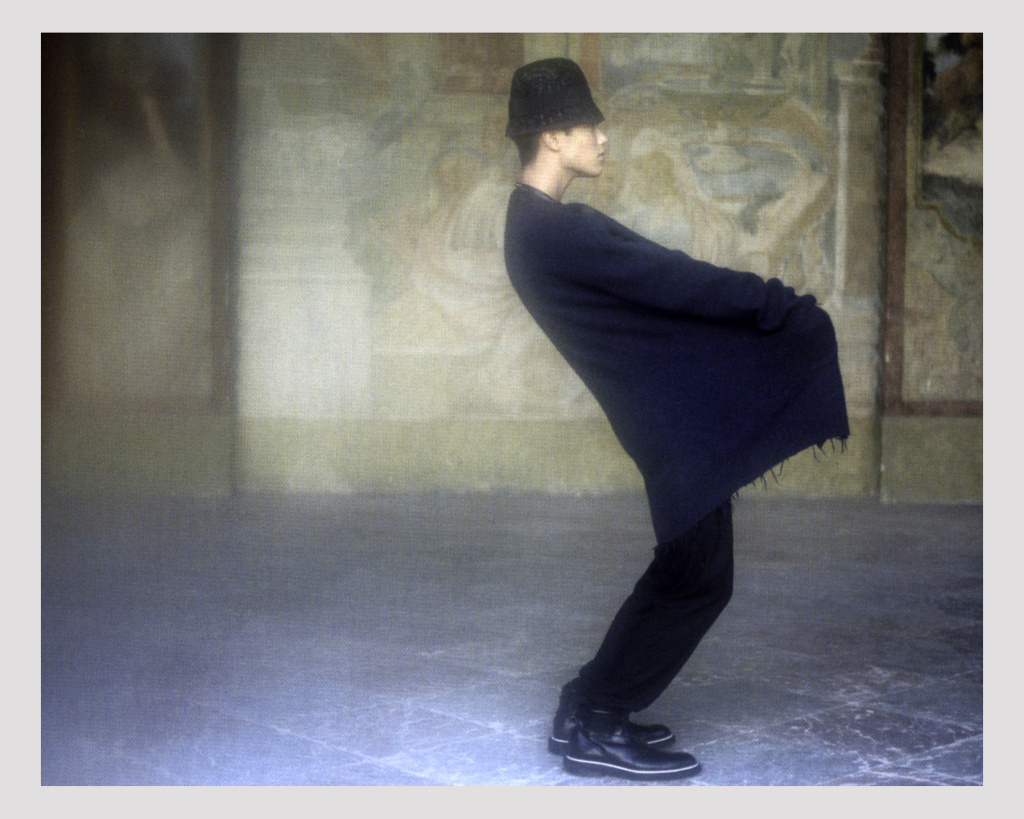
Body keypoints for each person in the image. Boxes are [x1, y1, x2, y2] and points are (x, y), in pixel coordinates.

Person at [502, 58, 850, 781]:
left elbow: (653, 288)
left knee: (687, 570)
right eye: (589, 124)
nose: (603, 136)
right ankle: (598, 722)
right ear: (553, 134)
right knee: (699, 579)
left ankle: (582, 709)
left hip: (661, 419)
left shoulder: (530, 226)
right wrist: (777, 305)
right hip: (671, 427)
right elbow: (673, 280)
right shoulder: (555, 230)